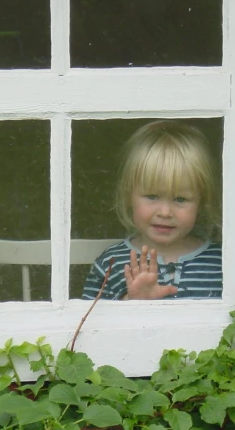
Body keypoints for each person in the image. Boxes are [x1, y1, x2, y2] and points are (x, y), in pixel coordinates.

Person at [82, 120, 223, 300]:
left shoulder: (220, 263)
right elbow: (89, 323)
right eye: (152, 196)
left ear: (201, 201)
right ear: (128, 195)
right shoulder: (113, 263)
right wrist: (133, 302)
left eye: (180, 199)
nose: (165, 212)